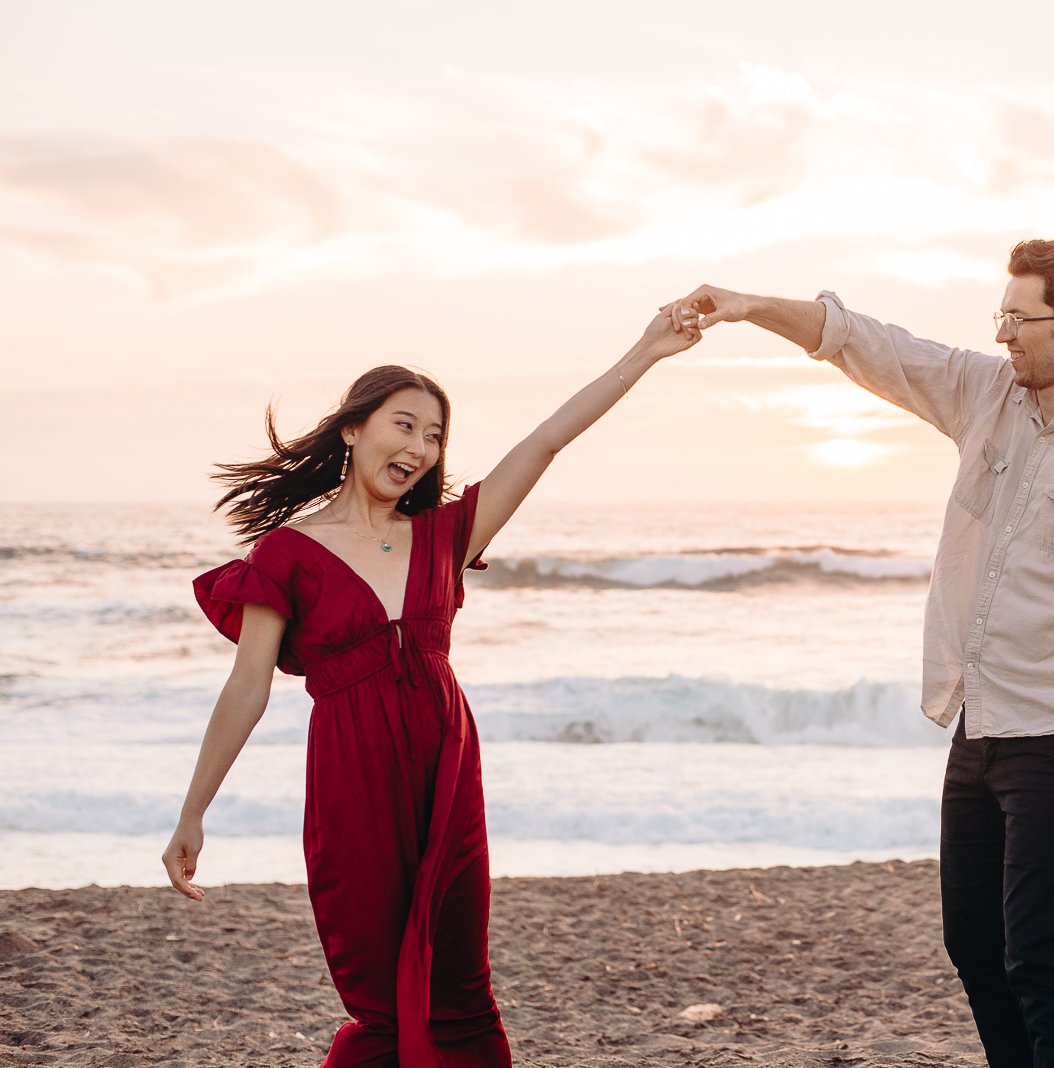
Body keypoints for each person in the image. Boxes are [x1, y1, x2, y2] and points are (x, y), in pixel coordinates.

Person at [663, 239, 1054, 1068]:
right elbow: (869, 342)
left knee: (1041, 957)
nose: (1001, 336)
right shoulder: (988, 396)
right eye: (1000, 316)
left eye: (1017, 319)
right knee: (974, 947)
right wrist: (751, 306)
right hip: (982, 729)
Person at [162, 309, 702, 1066]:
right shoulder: (286, 553)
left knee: (459, 992)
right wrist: (194, 811)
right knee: (379, 997)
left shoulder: (447, 536)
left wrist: (645, 351)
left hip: (444, 770)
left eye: (435, 436)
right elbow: (246, 686)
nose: (419, 448)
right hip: (352, 781)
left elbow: (546, 439)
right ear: (353, 430)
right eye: (405, 425)